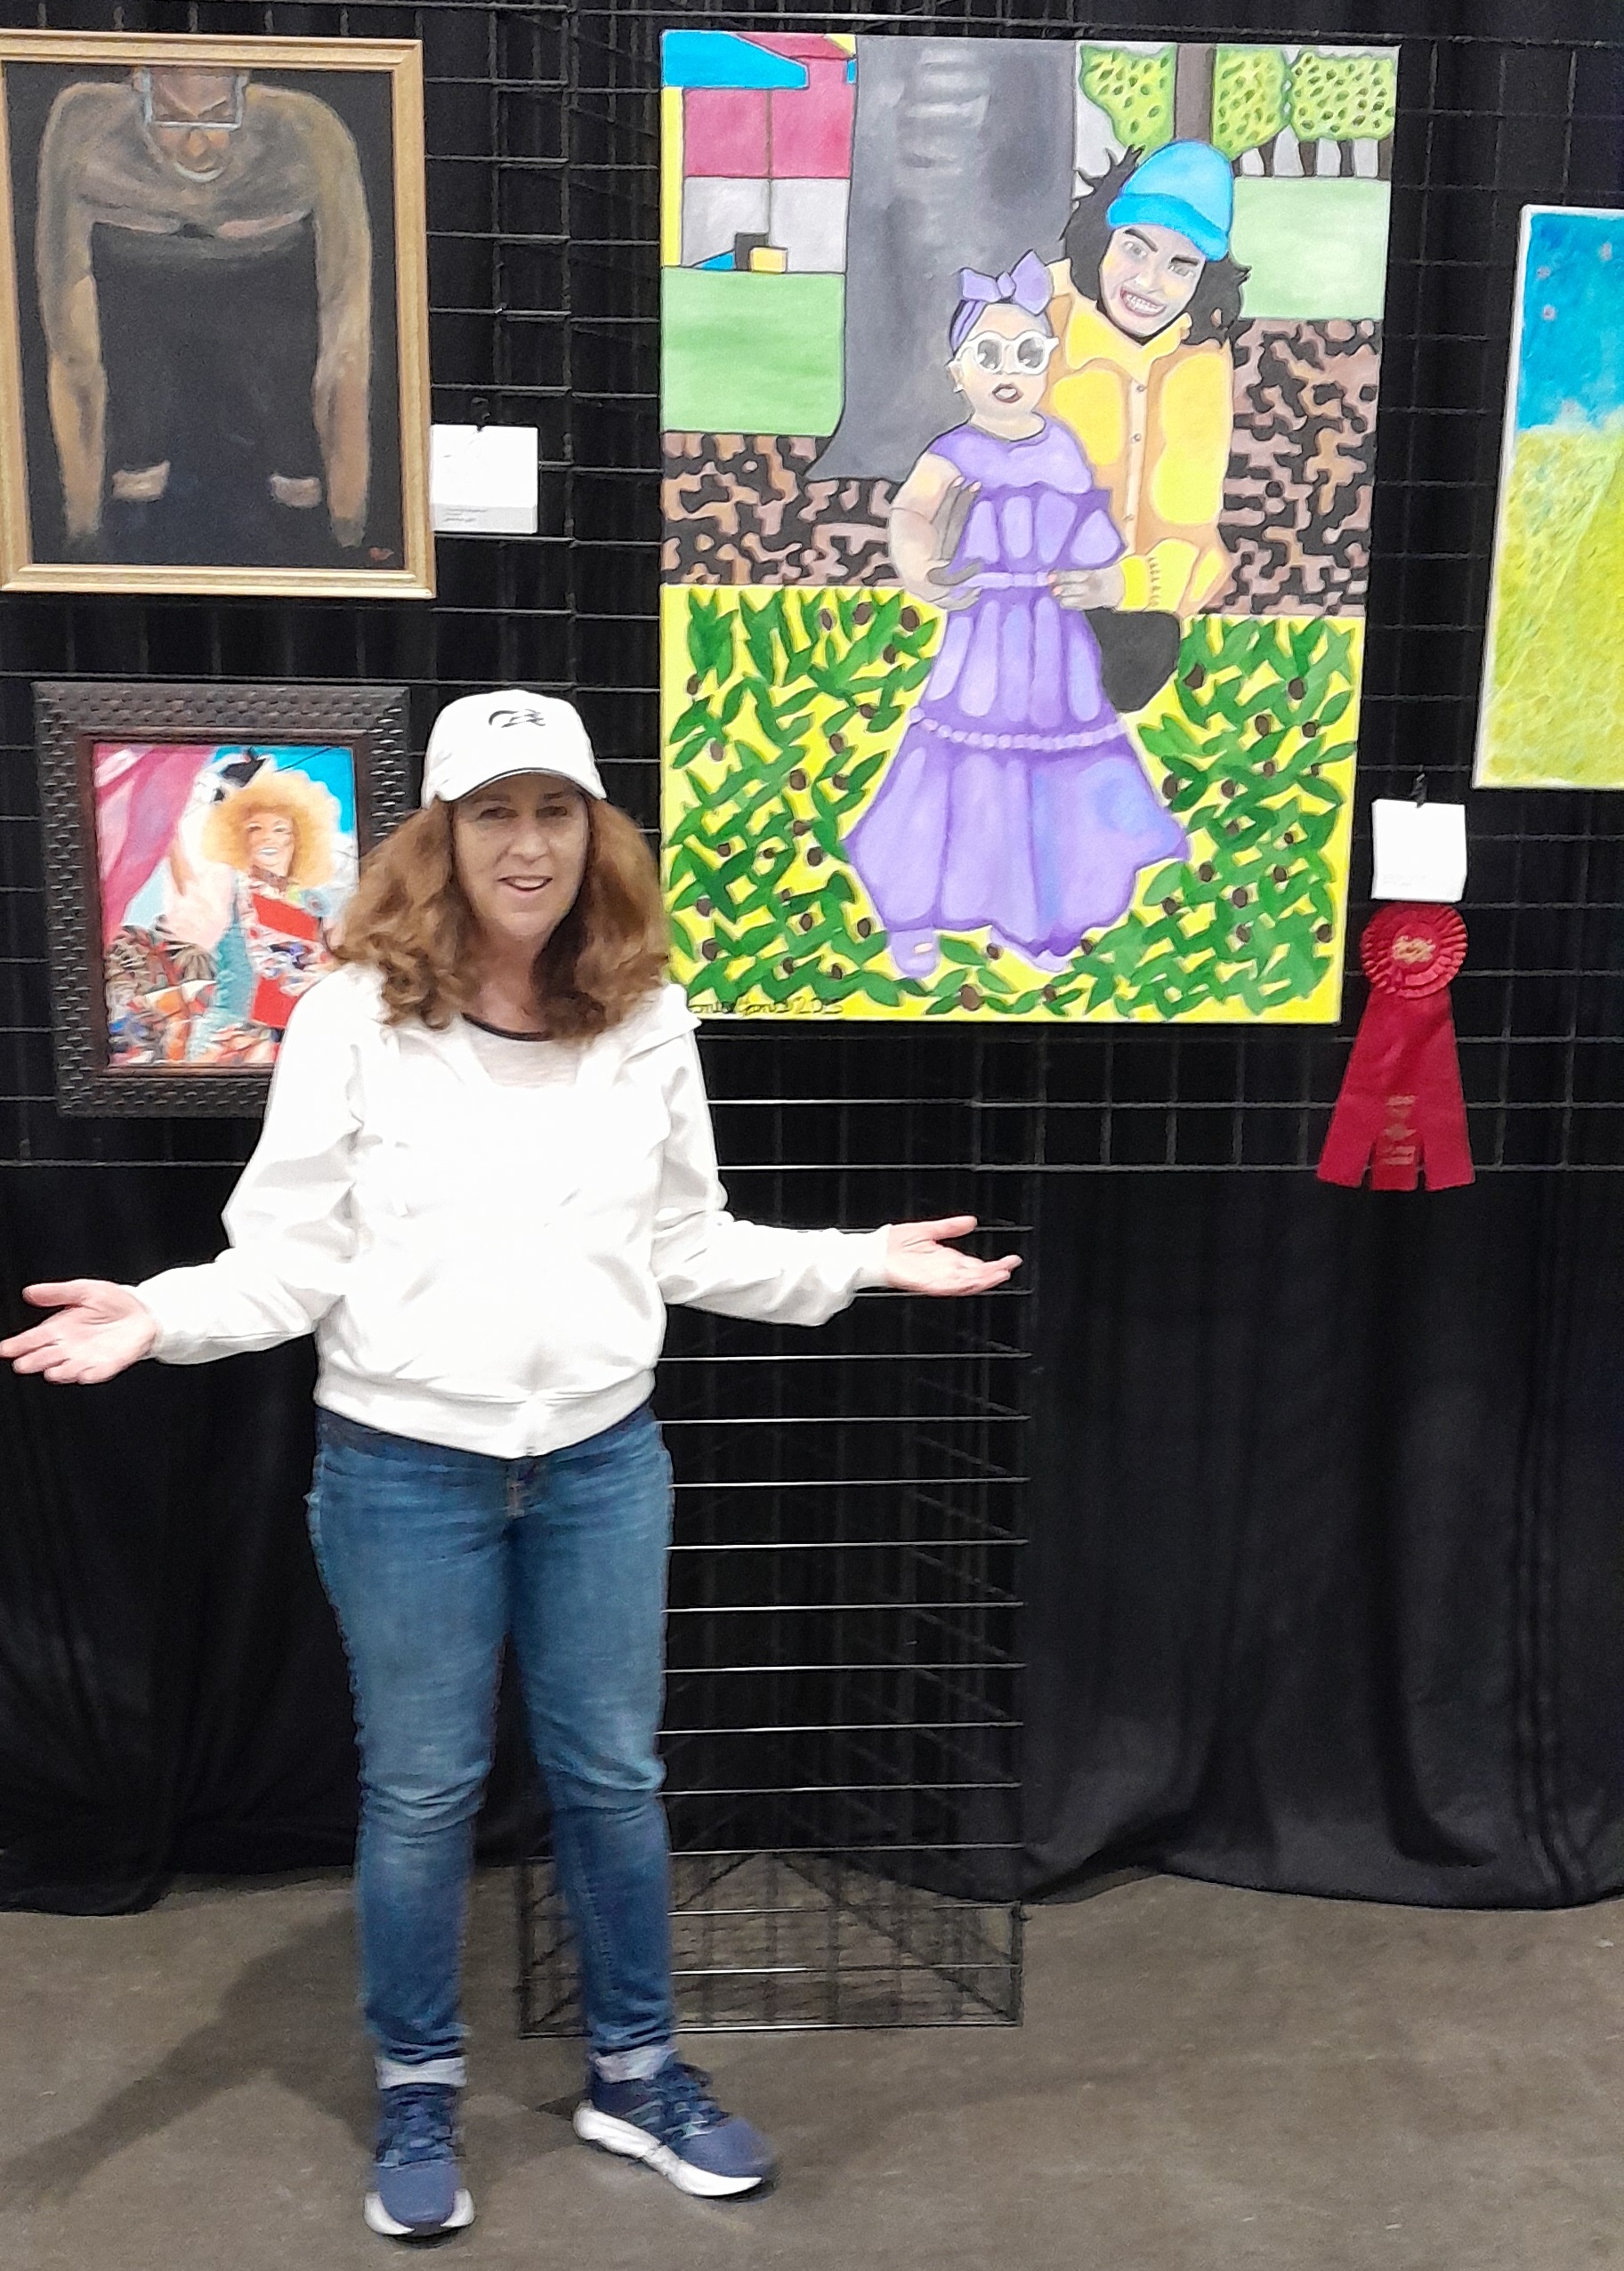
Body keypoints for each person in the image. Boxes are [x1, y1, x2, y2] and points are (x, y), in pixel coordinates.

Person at [1, 690, 1018, 2243]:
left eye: (555, 812)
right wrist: (159, 1315)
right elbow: (287, 1259)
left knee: (614, 1778)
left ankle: (636, 2072)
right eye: (494, 813)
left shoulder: (644, 1012)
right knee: (422, 1792)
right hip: (406, 1472)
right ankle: (418, 2082)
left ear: (593, 834)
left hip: (603, 1464)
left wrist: (859, 1260)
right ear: (444, 837)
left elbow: (688, 1242)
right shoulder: (352, 1016)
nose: (527, 844)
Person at [844, 255, 1188, 982]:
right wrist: (922, 570)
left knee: (1050, 785)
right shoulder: (952, 452)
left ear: (1047, 364)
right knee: (963, 770)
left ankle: (1038, 917)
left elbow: (1092, 532)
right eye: (989, 355)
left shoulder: (1061, 446)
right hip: (985, 638)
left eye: (1027, 354)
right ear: (957, 373)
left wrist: (1104, 582)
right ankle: (914, 914)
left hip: (1058, 644)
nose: (1009, 371)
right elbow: (911, 515)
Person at [35, 64, 371, 557]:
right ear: (138, 89)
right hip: (139, 334)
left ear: (244, 90)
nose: (196, 146)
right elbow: (71, 342)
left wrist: (348, 526)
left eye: (218, 116)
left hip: (270, 325)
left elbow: (346, 332)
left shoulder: (306, 131)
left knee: (291, 472)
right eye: (171, 118)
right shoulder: (87, 127)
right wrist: (82, 530)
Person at [1042, 141, 1250, 709]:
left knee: (1137, 663)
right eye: (1135, 248)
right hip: (1035, 570)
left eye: (1180, 266)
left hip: (1133, 595)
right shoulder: (1045, 315)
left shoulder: (1200, 359)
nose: (1149, 282)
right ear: (1104, 239)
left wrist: (1125, 584)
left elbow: (1191, 520)